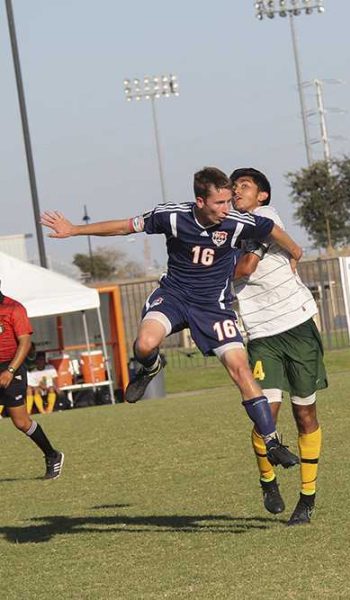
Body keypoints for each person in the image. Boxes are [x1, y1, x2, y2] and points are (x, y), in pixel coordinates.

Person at [40, 167, 302, 468]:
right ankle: (150, 367)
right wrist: (74, 230)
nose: (227, 209)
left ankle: (272, 442)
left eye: (229, 201)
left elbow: (269, 228)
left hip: (213, 305)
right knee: (144, 344)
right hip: (174, 296)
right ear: (200, 201)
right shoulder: (172, 216)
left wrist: (295, 250)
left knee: (240, 369)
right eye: (219, 203)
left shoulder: (237, 222)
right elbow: (126, 227)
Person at [231, 167, 326, 526]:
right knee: (264, 415)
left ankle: (308, 496)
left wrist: (207, 275)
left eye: (245, 186)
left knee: (305, 415)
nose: (237, 191)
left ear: (262, 196)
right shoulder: (222, 232)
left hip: (298, 324)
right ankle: (268, 482)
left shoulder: (264, 217)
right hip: (260, 334)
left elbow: (247, 266)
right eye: (233, 187)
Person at [0, 281, 64, 479]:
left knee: (21, 422)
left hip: (11, 367)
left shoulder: (14, 308)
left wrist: (10, 370)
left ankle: (52, 455)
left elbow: (25, 342)